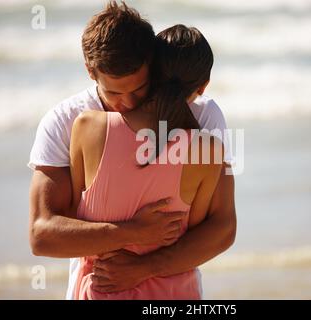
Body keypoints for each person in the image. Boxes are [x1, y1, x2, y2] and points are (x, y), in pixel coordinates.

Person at [28, 1, 236, 299]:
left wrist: (144, 267)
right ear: (90, 71)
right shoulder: (66, 121)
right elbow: (42, 236)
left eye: (139, 90)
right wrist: (132, 232)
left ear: (152, 66)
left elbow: (223, 228)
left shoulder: (204, 115)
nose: (125, 103)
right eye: (113, 92)